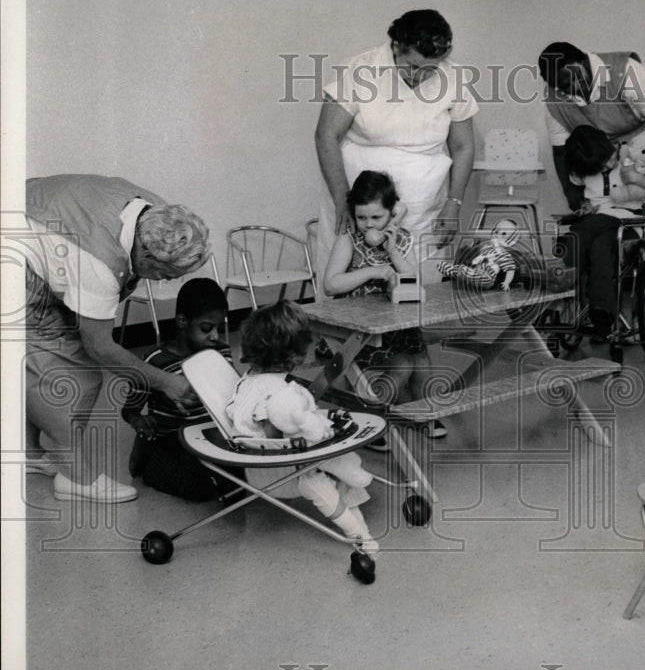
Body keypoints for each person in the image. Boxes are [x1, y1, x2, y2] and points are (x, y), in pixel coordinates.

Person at [23, 174, 209, 503]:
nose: (163, 282)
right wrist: (165, 382)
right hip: (15, 254)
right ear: (148, 257)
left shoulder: (154, 214)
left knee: (66, 366)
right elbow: (100, 347)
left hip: (31, 216)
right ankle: (76, 478)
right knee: (58, 374)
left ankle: (30, 453)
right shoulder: (100, 260)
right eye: (166, 275)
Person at [314, 9, 478, 289]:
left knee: (414, 294)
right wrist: (344, 201)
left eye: (430, 70)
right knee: (349, 288)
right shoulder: (360, 69)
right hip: (360, 210)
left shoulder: (454, 78)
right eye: (412, 67)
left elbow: (463, 146)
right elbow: (326, 135)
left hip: (422, 211)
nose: (420, 77)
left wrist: (454, 205)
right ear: (395, 48)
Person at [227, 301, 379, 553]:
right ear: (295, 356)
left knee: (331, 462)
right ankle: (358, 535)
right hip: (273, 468)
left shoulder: (249, 381)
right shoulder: (274, 392)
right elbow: (275, 438)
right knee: (318, 481)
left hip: (259, 458)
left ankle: (360, 527)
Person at [537, 41, 645, 254]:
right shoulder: (554, 99)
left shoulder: (625, 71)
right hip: (598, 160)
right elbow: (560, 151)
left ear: (581, 63)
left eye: (569, 82)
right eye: (561, 88)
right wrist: (570, 190)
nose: (568, 92)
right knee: (602, 231)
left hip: (640, 153)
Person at [323, 171, 438, 441]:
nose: (368, 225)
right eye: (361, 217)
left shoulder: (402, 240)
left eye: (376, 217)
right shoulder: (348, 240)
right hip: (358, 330)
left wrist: (393, 251)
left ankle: (423, 413)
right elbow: (331, 285)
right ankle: (371, 422)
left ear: (392, 213)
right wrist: (374, 271)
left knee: (421, 361)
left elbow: (414, 280)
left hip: (394, 326)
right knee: (402, 366)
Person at [558, 125, 645, 340]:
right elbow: (583, 190)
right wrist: (587, 206)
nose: (608, 164)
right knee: (599, 247)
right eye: (600, 165)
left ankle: (560, 275)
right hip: (601, 228)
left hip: (628, 227)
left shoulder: (630, 157)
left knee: (581, 234)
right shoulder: (586, 170)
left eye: (609, 158)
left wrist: (634, 177)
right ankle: (602, 313)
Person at [121, 278, 239, 502]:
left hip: (211, 436)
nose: (215, 336)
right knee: (198, 488)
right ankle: (146, 459)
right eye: (206, 328)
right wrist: (139, 421)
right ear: (182, 321)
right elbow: (130, 409)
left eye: (219, 327)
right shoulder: (155, 362)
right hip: (172, 441)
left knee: (241, 477)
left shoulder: (220, 352)